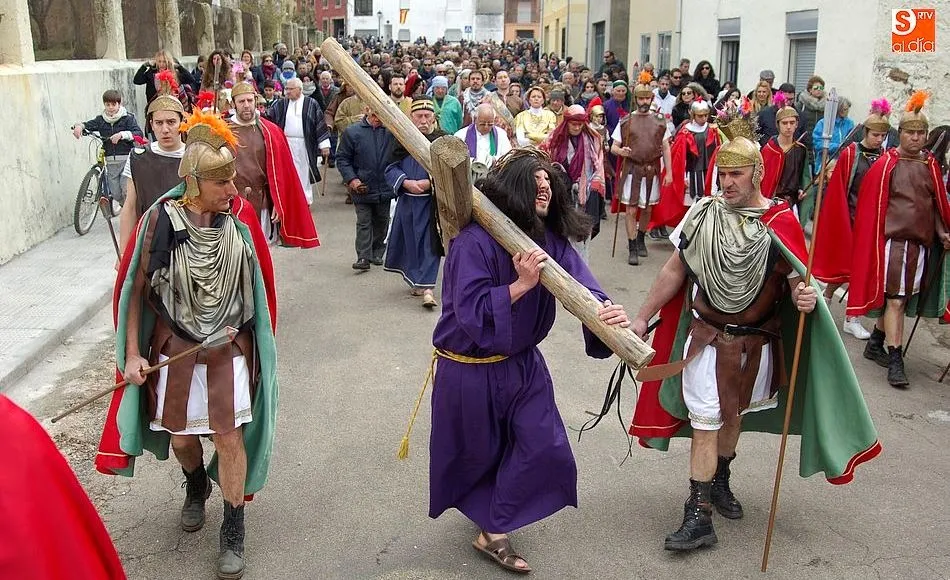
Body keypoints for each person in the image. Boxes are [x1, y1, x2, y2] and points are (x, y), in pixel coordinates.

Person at [628, 133, 880, 552]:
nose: (726, 183)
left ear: (757, 174)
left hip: (755, 346)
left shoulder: (780, 221)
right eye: (722, 174)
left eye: (736, 174)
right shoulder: (703, 215)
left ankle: (720, 479)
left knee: (732, 418)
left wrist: (806, 294)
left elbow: (799, 277)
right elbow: (674, 272)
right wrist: (641, 317)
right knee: (706, 422)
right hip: (706, 342)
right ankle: (698, 513)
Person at [427, 148, 630, 574]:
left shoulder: (549, 239)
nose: (545, 189)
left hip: (522, 365)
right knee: (480, 455)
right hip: (469, 369)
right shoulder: (472, 242)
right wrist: (521, 285)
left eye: (549, 183)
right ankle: (492, 532)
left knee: (544, 445)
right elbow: (472, 314)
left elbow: (582, 286)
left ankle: (495, 520)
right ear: (514, 188)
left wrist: (607, 313)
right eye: (535, 182)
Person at [97, 110, 280, 579]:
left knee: (228, 434)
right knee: (181, 439)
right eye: (223, 184)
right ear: (195, 182)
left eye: (233, 182)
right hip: (175, 347)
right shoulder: (160, 220)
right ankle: (196, 483)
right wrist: (134, 354)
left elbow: (260, 292)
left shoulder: (240, 223)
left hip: (227, 349)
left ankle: (233, 527)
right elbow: (135, 288)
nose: (233, 191)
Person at [843, 93, 950, 388]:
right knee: (897, 301)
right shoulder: (886, 164)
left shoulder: (931, 165)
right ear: (899, 133)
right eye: (910, 132)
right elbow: (870, 208)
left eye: (920, 133)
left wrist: (942, 232)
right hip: (894, 247)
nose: (915, 138)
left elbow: (936, 204)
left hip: (921, 246)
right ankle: (896, 359)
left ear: (926, 136)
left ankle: (876, 342)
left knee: (899, 300)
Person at [811, 99, 892, 340]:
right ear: (866, 132)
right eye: (876, 134)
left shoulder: (885, 157)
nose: (879, 139)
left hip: (873, 223)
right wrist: (840, 220)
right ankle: (825, 300)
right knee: (843, 267)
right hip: (850, 217)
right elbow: (839, 190)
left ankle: (851, 318)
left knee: (860, 271)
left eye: (882, 135)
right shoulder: (850, 153)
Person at [229, 81, 320, 248]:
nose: (246, 105)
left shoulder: (271, 132)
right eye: (241, 101)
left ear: (256, 101)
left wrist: (278, 203)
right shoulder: (222, 131)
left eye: (250, 100)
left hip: (262, 203)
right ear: (233, 104)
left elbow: (281, 174)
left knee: (261, 254)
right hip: (231, 204)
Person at [384, 99, 444, 308]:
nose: (424, 121)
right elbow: (390, 168)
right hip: (408, 203)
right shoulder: (402, 139)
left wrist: (430, 183)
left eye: (428, 116)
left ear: (434, 118)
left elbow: (450, 173)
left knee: (430, 245)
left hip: (432, 205)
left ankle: (428, 289)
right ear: (412, 117)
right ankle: (417, 282)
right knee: (410, 244)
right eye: (419, 116)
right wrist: (406, 182)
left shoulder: (443, 140)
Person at [119, 73, 187, 253]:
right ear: (151, 124)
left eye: (171, 122)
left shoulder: (194, 156)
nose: (165, 129)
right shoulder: (138, 157)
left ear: (181, 122)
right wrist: (124, 252)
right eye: (159, 122)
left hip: (188, 241)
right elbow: (130, 206)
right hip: (149, 241)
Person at [610, 75, 673, 265]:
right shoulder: (626, 121)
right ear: (635, 99)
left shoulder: (660, 121)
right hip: (632, 171)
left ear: (651, 98)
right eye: (641, 98)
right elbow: (613, 147)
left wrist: (669, 172)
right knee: (630, 210)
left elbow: (666, 147)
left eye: (647, 98)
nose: (644, 101)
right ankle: (631, 247)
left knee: (647, 209)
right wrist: (622, 151)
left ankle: (640, 239)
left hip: (651, 170)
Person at [540, 104, 606, 262]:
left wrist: (594, 186)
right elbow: (542, 158)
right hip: (560, 194)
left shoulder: (593, 138)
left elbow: (599, 165)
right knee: (560, 232)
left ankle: (581, 271)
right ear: (567, 122)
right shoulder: (554, 139)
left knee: (582, 235)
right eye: (573, 124)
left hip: (585, 194)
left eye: (580, 124)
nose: (577, 127)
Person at [336, 104, 396, 271]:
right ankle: (363, 256)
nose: (377, 117)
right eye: (374, 112)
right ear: (367, 110)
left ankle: (377, 251)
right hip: (362, 187)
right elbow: (342, 159)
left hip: (385, 186)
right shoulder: (353, 132)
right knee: (364, 222)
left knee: (382, 220)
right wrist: (352, 179)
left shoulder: (392, 132)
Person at [654, 99, 720, 230]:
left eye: (706, 115)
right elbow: (679, 157)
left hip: (708, 173)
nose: (703, 118)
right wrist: (682, 176)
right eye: (700, 116)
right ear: (693, 115)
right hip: (691, 173)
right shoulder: (685, 132)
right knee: (689, 205)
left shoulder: (713, 130)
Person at [266, 77, 331, 206]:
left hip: (304, 144)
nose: (287, 92)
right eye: (286, 89)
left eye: (291, 89)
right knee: (286, 171)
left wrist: (324, 144)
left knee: (303, 170)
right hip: (285, 144)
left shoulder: (311, 103)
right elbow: (269, 117)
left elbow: (319, 123)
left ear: (299, 90)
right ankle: (288, 198)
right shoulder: (281, 104)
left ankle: (305, 200)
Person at [72, 89, 144, 204]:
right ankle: (124, 206)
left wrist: (122, 135)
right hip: (111, 162)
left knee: (125, 189)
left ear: (119, 104)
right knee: (115, 193)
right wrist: (79, 126)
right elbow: (87, 125)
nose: (110, 107)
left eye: (113, 104)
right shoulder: (101, 120)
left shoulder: (127, 118)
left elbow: (138, 133)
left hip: (126, 160)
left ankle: (130, 212)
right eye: (107, 104)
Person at [760, 93, 809, 215]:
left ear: (797, 124)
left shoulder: (801, 149)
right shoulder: (768, 150)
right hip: (770, 202)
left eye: (792, 123)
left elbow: (804, 176)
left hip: (791, 203)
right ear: (778, 125)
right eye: (784, 123)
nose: (788, 127)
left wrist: (802, 189)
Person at [811, 97, 855, 175]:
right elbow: (818, 144)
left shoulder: (850, 123)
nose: (846, 112)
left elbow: (852, 141)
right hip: (825, 163)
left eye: (847, 109)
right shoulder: (823, 123)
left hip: (843, 162)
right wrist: (837, 146)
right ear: (838, 109)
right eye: (844, 109)